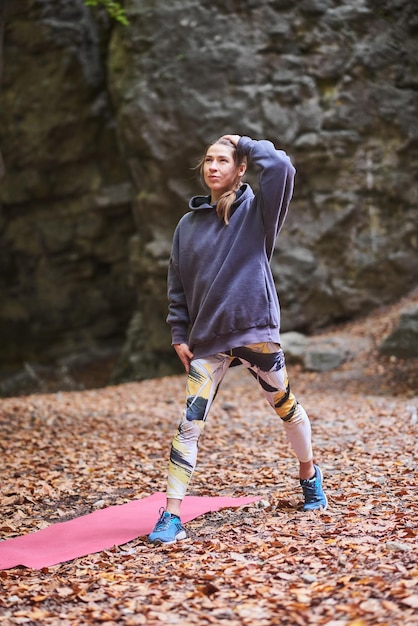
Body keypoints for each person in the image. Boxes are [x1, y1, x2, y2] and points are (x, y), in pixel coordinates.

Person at [148, 134, 327, 545]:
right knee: (188, 425)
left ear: (240, 168)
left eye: (223, 160)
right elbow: (177, 284)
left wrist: (243, 141)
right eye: (208, 160)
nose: (213, 166)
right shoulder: (187, 225)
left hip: (255, 333)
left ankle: (309, 473)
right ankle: (172, 514)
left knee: (284, 406)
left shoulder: (257, 211)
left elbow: (282, 168)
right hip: (208, 341)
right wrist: (179, 332)